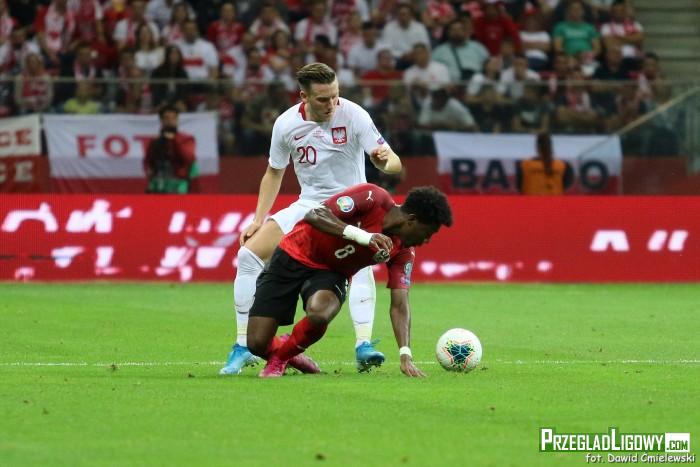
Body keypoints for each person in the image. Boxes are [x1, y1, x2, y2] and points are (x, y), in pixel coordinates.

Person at [219, 62, 403, 376]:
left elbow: (394, 163)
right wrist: (258, 219)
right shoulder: (285, 124)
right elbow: (274, 172)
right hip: (310, 205)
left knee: (361, 261)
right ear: (303, 96)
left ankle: (363, 345)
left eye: (335, 95)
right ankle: (242, 346)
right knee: (248, 255)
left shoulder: (354, 115)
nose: (332, 104)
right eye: (323, 99)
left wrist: (384, 162)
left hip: (352, 205)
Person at [247, 183, 453, 378]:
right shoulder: (373, 198)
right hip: (292, 254)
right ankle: (291, 350)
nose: (427, 240)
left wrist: (405, 354)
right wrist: (363, 236)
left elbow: (400, 304)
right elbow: (314, 215)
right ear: (412, 220)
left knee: (320, 313)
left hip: (331, 273)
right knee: (256, 343)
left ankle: (281, 358)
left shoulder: (403, 251)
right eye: (427, 233)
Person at [143, 105, 196, 194]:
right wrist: (148, 170)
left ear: (177, 120)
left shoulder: (186, 139)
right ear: (161, 121)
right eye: (167, 118)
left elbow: (188, 159)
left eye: (173, 118)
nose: (170, 121)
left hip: (178, 185)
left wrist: (174, 139)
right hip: (158, 184)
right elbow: (147, 160)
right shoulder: (155, 141)